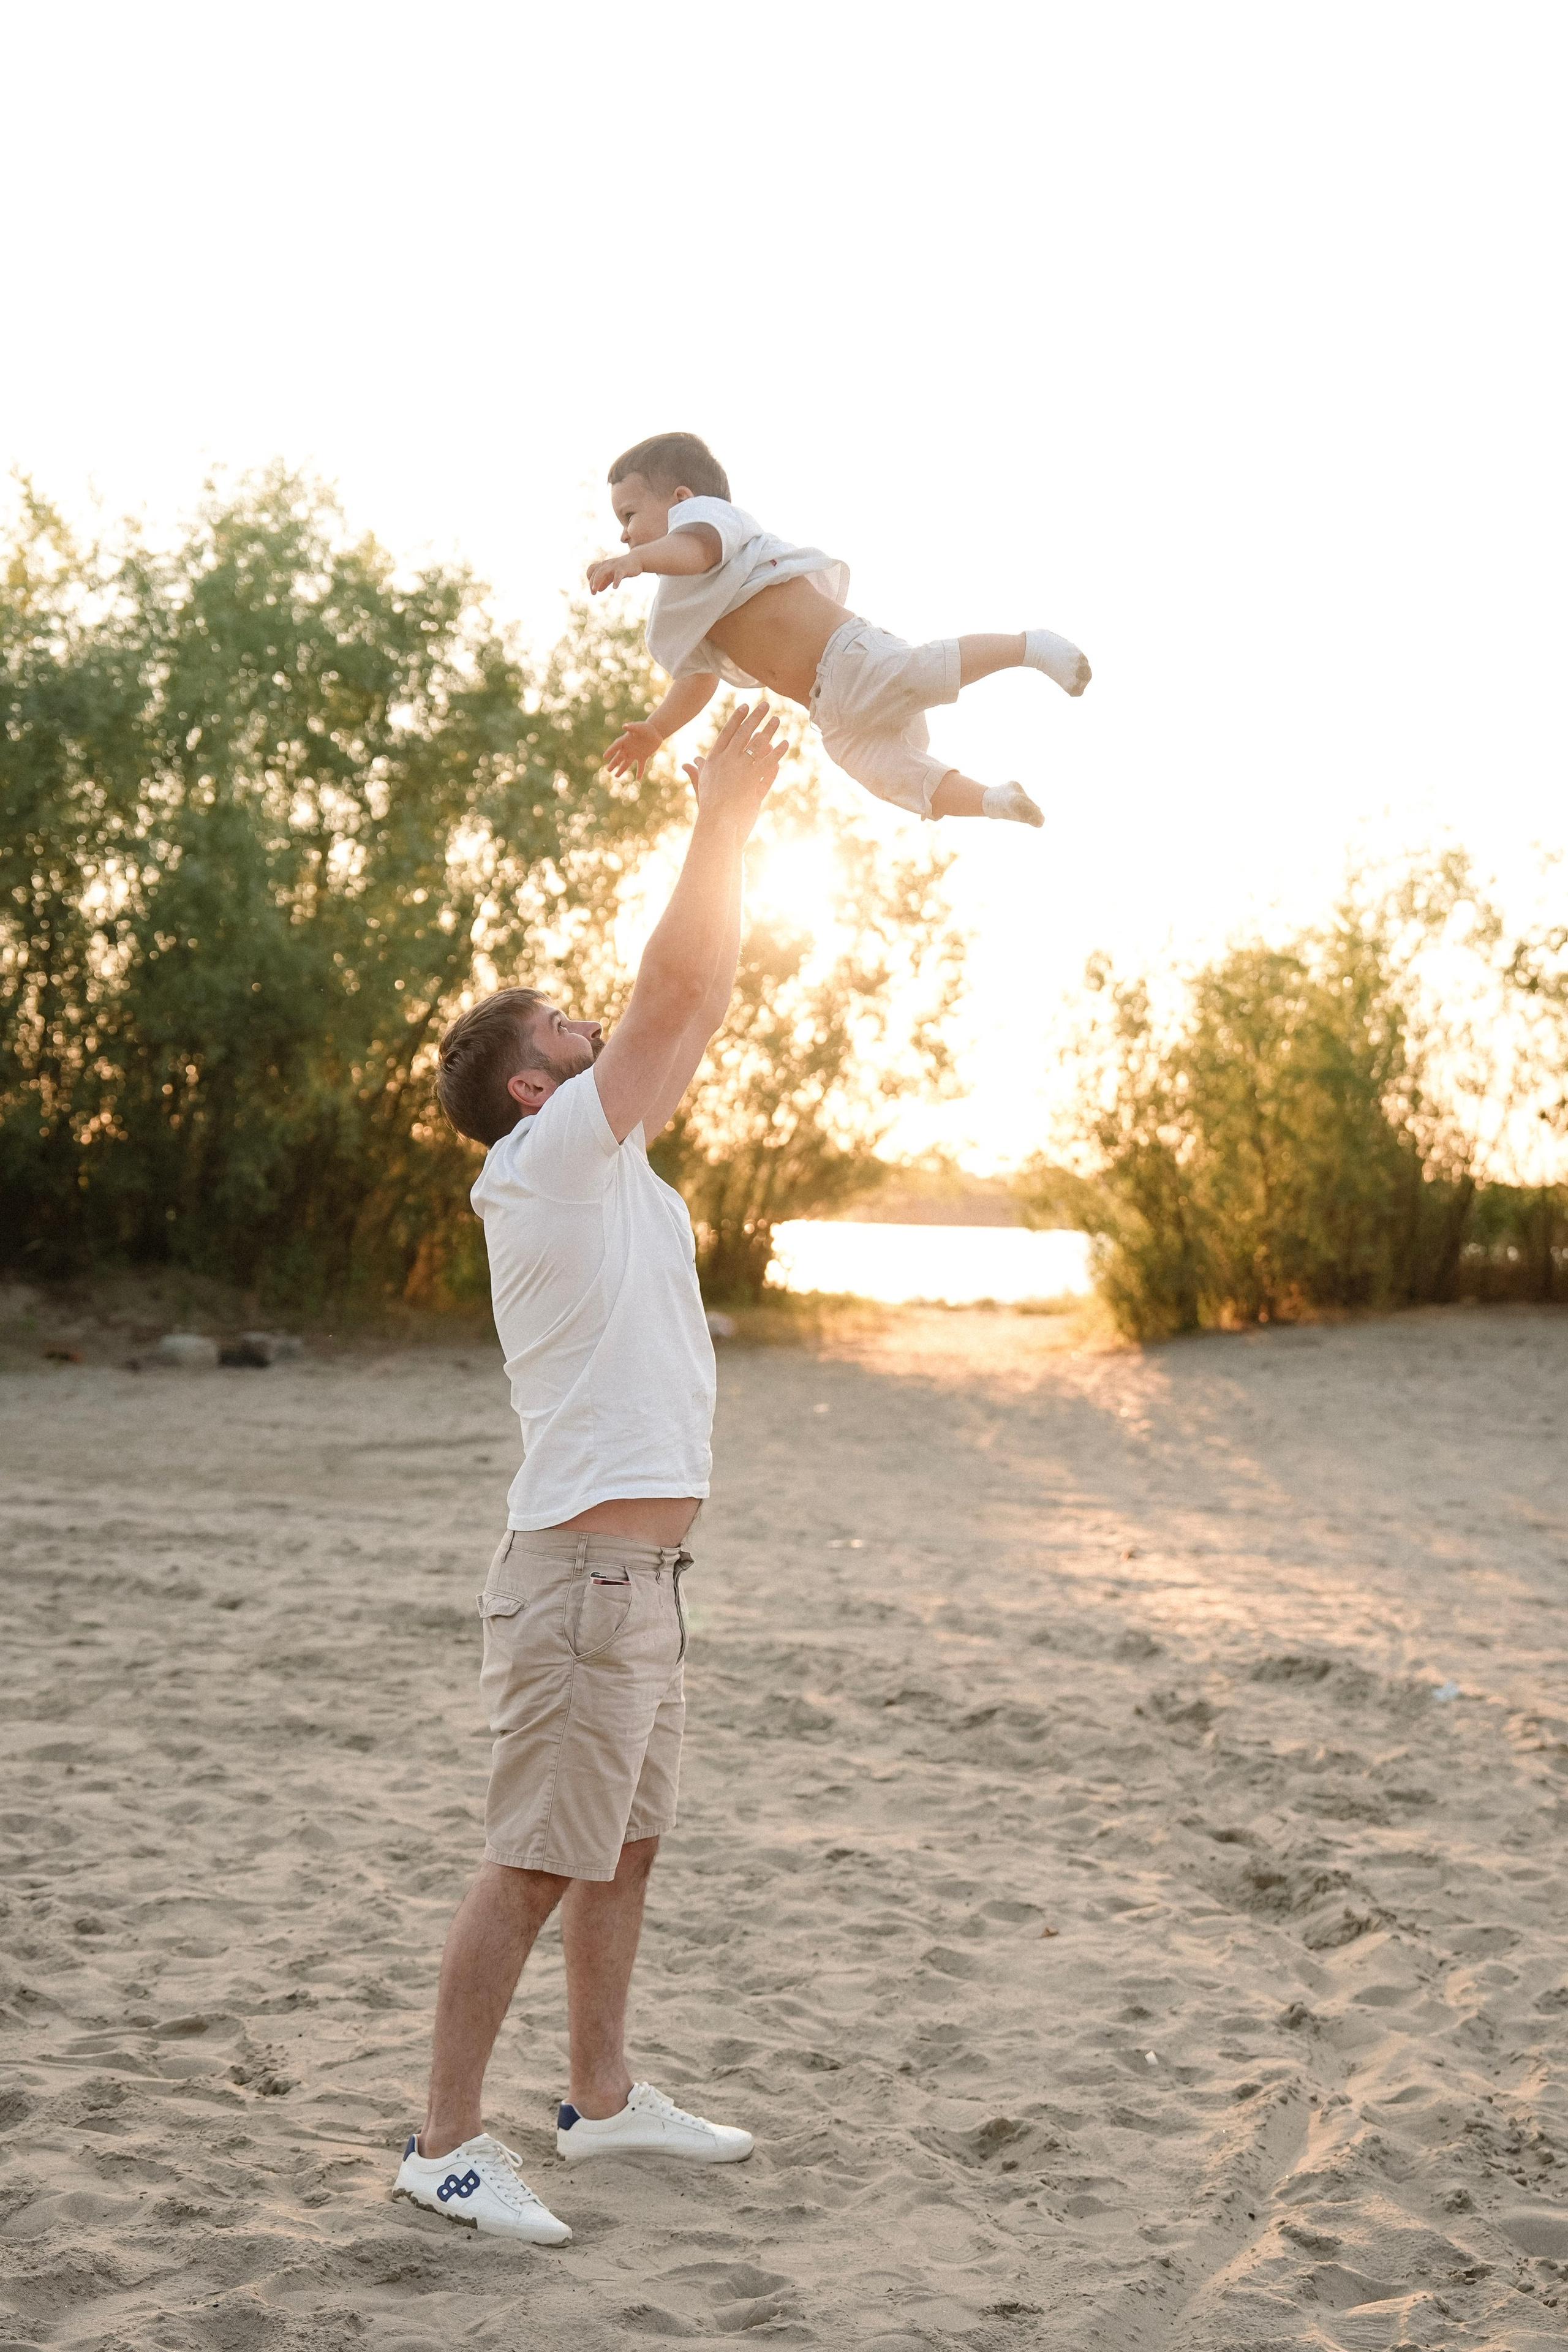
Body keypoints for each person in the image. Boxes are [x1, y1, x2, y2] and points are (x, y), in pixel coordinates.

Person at [392, 701, 784, 2244]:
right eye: (562, 1022)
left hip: (643, 1581)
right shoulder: (543, 1161)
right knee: (534, 1858)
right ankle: (440, 2143)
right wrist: (723, 821)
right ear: (528, 1088)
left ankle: (605, 2102)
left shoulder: (604, 1157)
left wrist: (725, 856)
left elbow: (695, 1004)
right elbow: (671, 987)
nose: (585, 1026)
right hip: (576, 1577)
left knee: (622, 1840)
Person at [588, 428, 1091, 831]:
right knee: (887, 775)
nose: (624, 532)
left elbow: (695, 551)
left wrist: (635, 561)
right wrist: (657, 728)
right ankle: (994, 800)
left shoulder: (709, 523)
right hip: (828, 708)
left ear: (681, 499)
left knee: (922, 671)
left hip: (847, 655)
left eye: (629, 515)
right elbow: (697, 678)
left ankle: (1031, 647)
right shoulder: (677, 608)